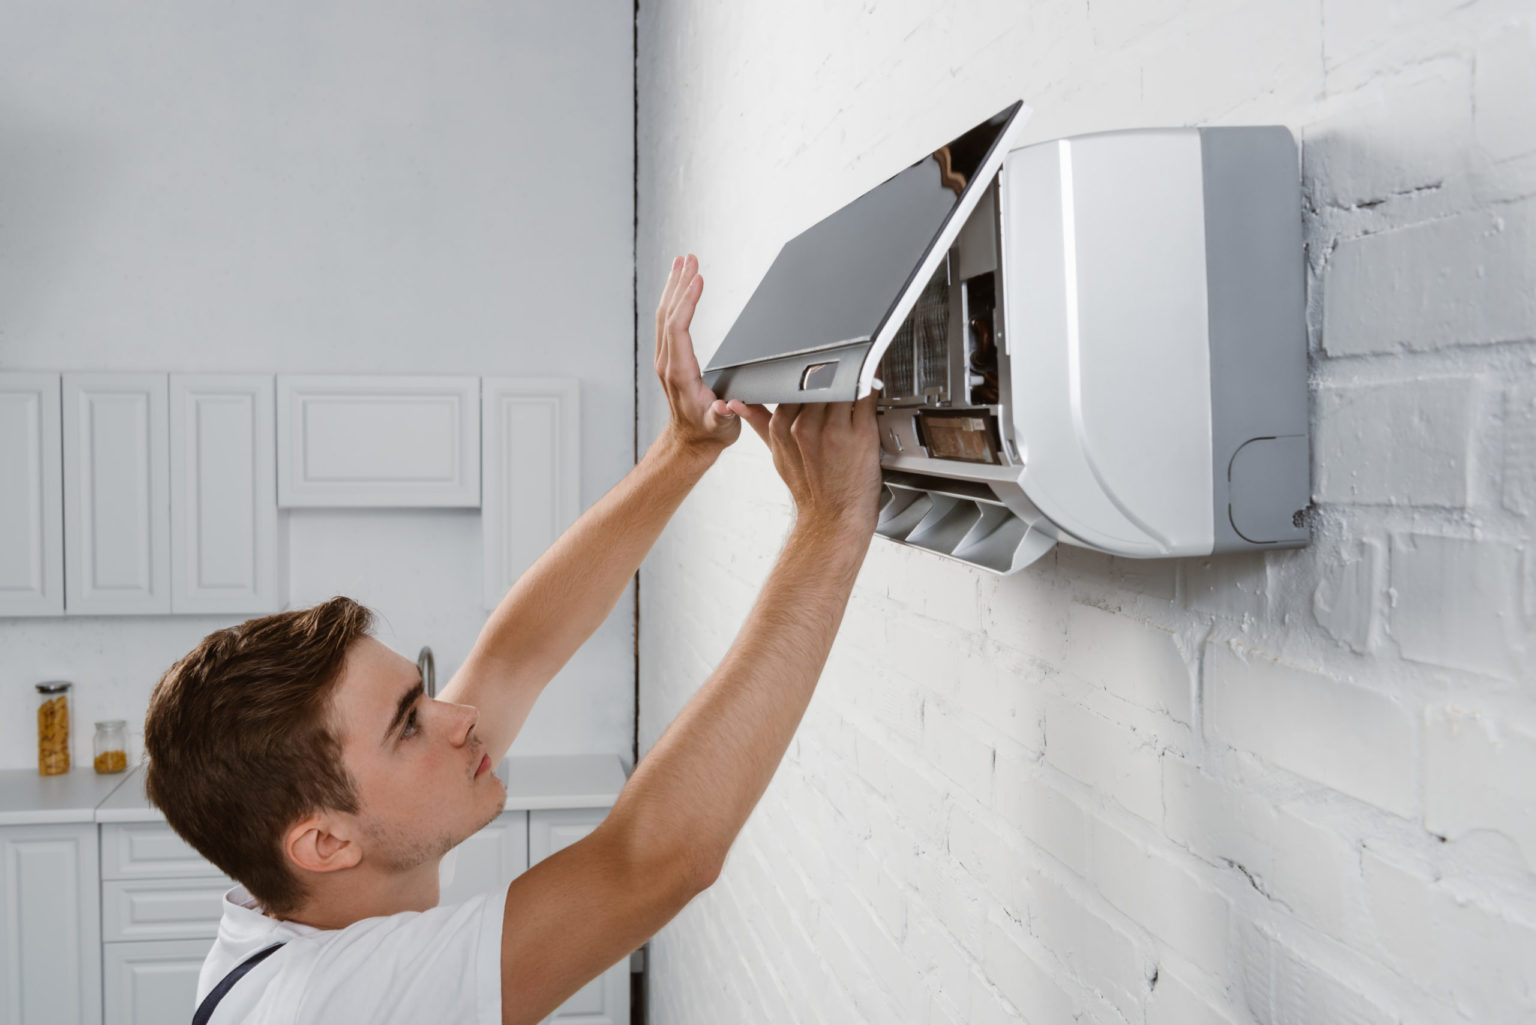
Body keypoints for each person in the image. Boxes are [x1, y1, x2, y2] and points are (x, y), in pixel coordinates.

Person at [143, 253, 883, 1025]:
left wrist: (685, 448)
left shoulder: (308, 901)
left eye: (421, 699)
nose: (458, 714)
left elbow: (517, 652)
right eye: (409, 722)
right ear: (324, 842)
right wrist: (831, 524)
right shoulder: (328, 1005)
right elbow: (654, 861)